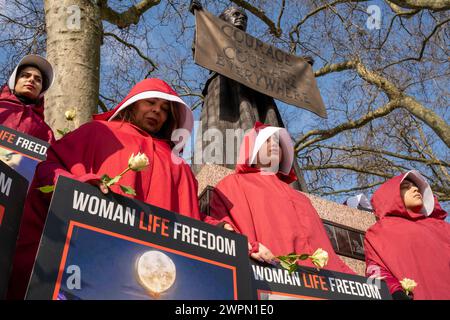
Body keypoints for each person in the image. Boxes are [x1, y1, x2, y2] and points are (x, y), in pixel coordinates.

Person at [7, 78, 200, 299]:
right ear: (133, 103)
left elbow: (192, 217)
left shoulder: (179, 165)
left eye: (164, 108)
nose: (157, 110)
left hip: (151, 281)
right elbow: (49, 168)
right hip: (89, 268)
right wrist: (77, 185)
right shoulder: (97, 132)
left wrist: (220, 227)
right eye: (151, 102)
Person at [189, 1, 312, 192]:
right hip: (224, 90)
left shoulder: (257, 53)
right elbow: (201, 48)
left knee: (267, 131)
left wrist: (299, 67)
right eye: (235, 14)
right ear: (221, 20)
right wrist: (201, 21)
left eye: (244, 17)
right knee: (221, 134)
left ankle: (272, 172)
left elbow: (278, 72)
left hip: (258, 98)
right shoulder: (217, 38)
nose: (240, 18)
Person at [204, 122, 354, 274]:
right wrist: (248, 247)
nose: (274, 144)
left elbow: (328, 252)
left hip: (319, 286)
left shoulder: (302, 199)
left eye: (277, 142)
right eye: (267, 140)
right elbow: (223, 231)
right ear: (252, 148)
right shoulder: (232, 185)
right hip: (269, 279)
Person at [364, 170, 450, 300]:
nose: (415, 189)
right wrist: (395, 292)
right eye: (406, 187)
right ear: (392, 195)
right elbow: (376, 270)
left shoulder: (443, 228)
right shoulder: (379, 232)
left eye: (416, 187)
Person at [0, 54, 55, 143]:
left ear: (42, 89)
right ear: (15, 81)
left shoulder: (46, 132)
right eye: (25, 75)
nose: (31, 80)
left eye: (38, 80)